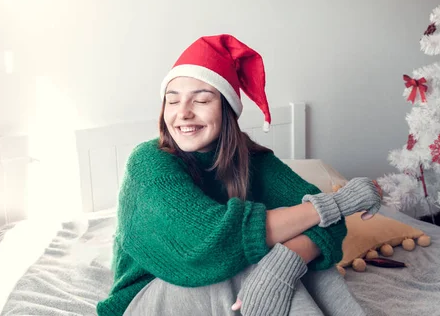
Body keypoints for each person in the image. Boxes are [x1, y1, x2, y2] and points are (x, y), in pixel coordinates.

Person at [97, 34, 382, 316]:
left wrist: (285, 263)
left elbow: (328, 225)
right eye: (172, 101)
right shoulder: (148, 162)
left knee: (302, 267)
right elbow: (209, 244)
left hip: (212, 283)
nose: (182, 113)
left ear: (226, 110)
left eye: (201, 100)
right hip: (143, 298)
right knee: (237, 263)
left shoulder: (251, 159)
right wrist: (338, 203)